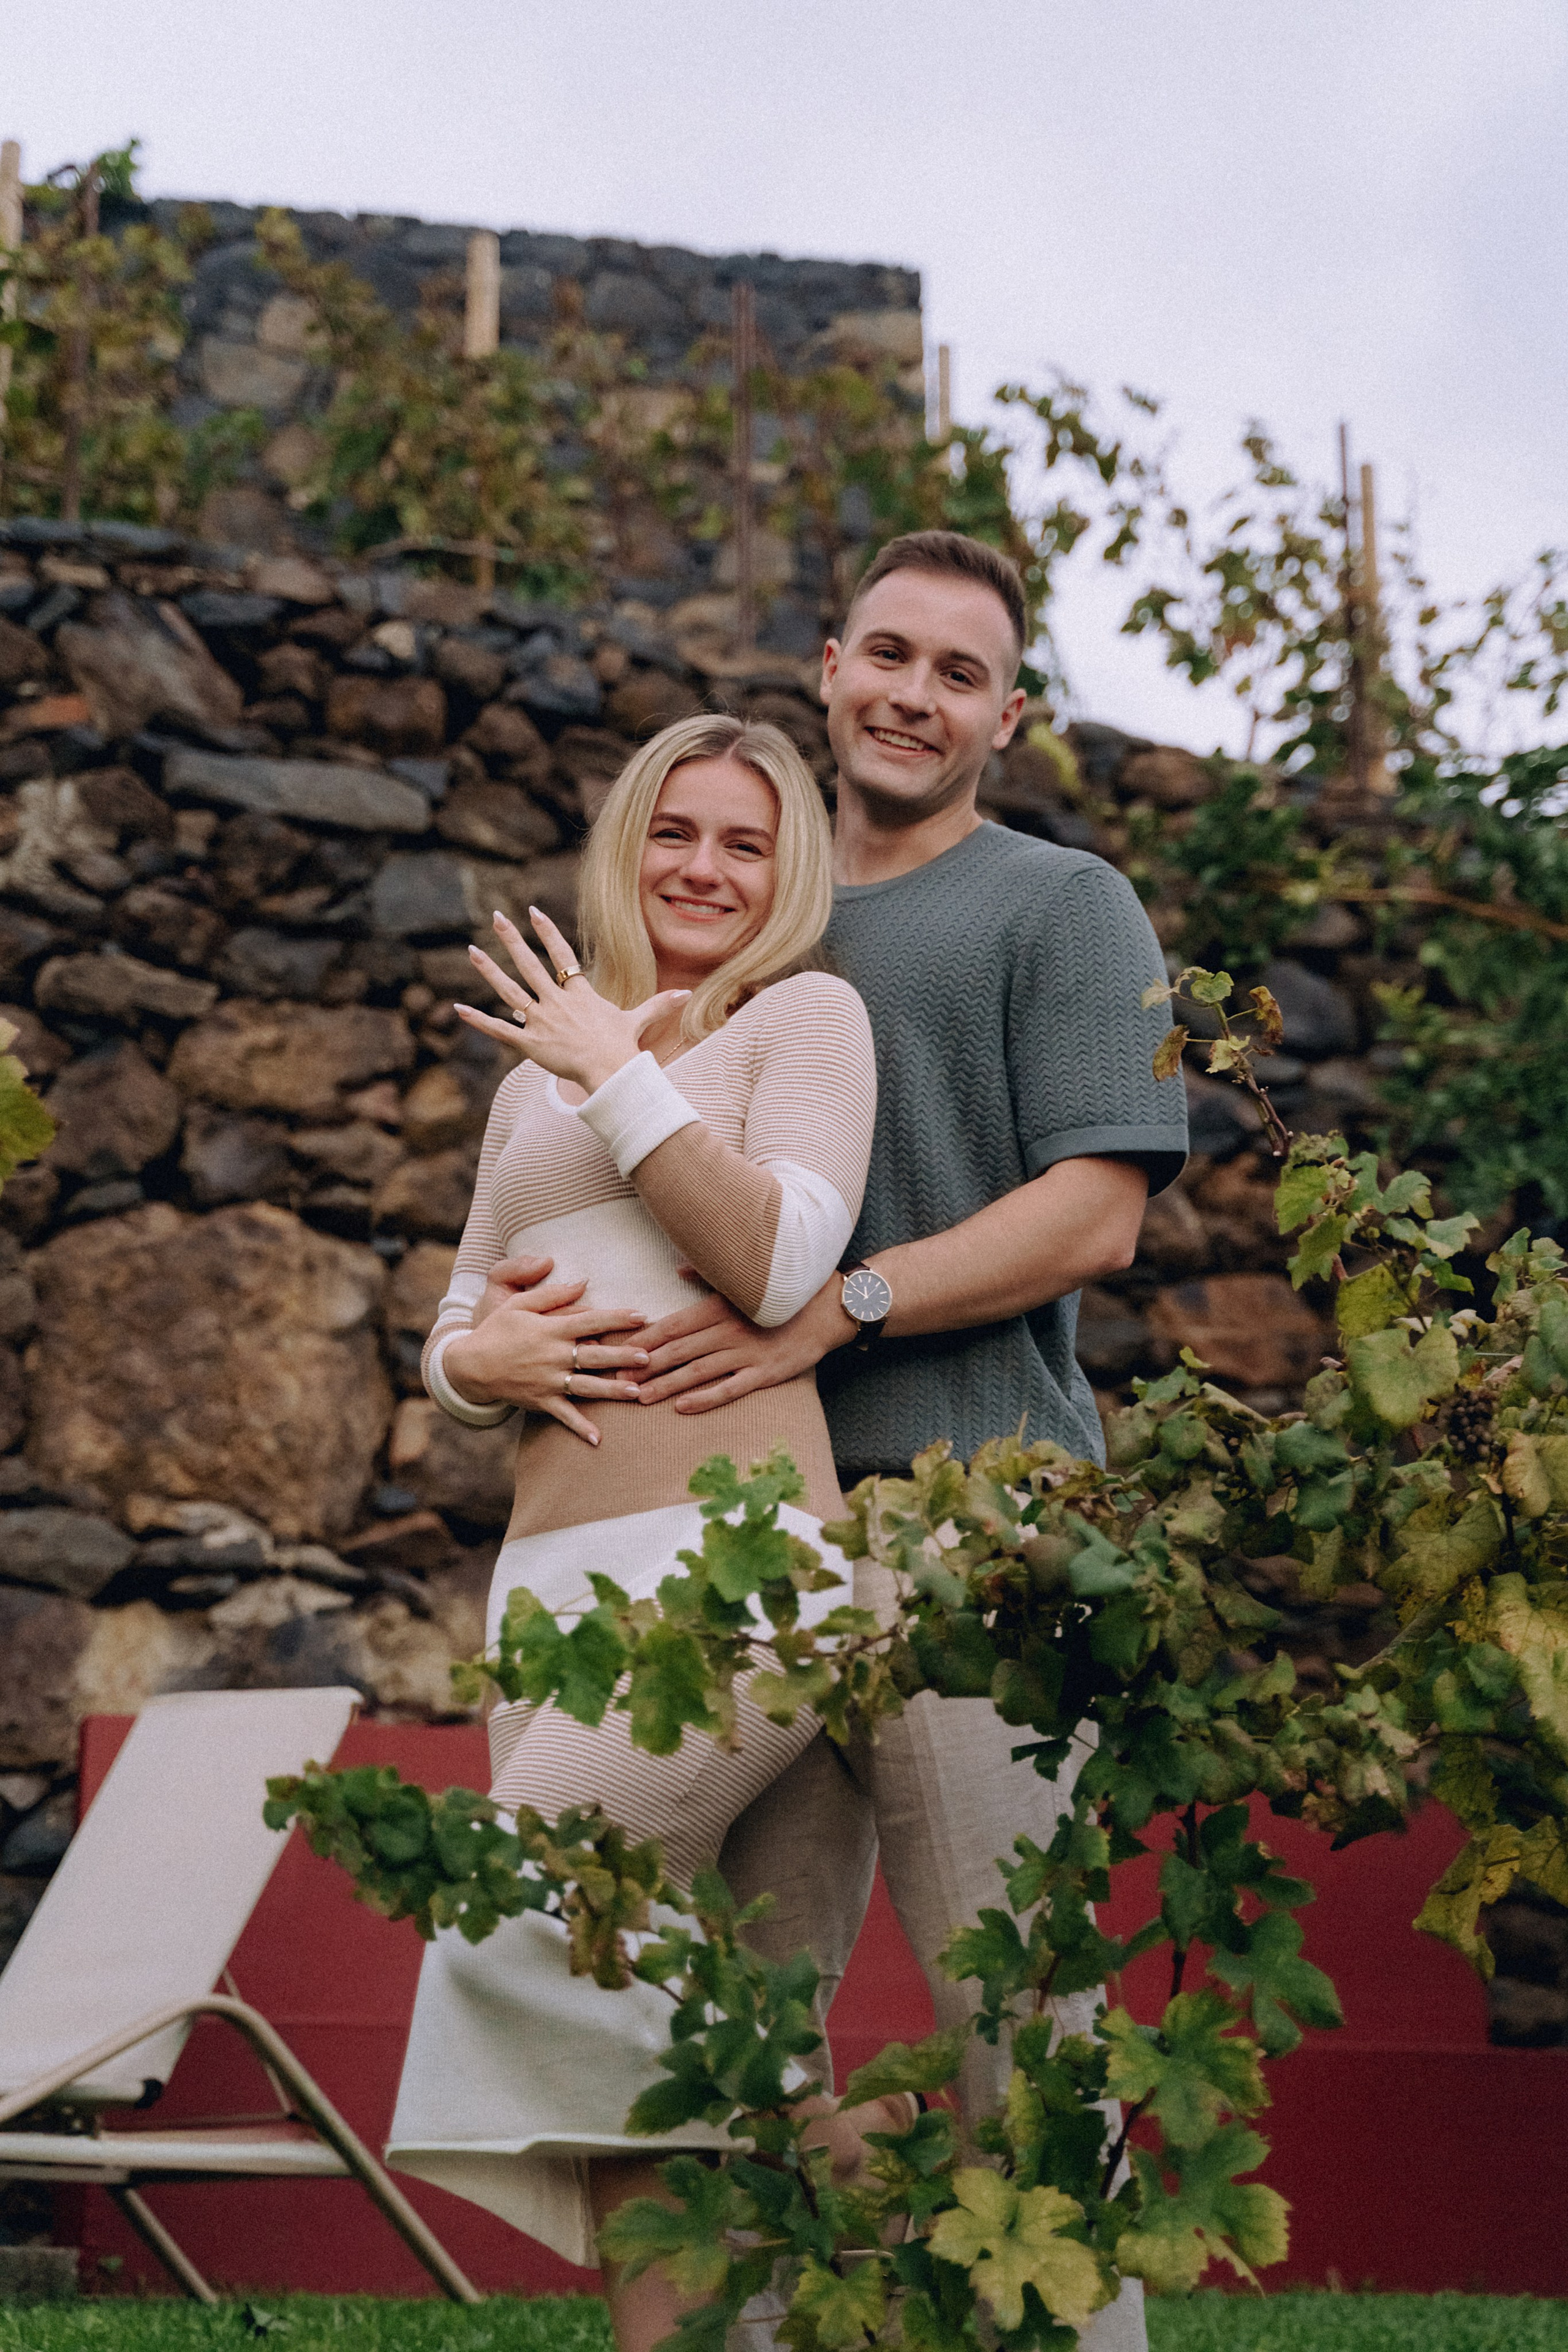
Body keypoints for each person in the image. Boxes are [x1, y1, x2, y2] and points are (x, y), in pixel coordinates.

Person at [625, 532, 1190, 2352]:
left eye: (961, 674)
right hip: (748, 1527)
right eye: (889, 653)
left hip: (980, 1522)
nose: (913, 695)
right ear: (827, 663)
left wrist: (844, 1305)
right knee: (736, 2038)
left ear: (1007, 718)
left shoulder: (1064, 904)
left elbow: (1099, 1214)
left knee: (1023, 2035)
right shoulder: (754, 914)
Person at [384, 712, 910, 2352]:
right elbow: (460, 1320)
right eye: (676, 832)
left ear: (789, 872)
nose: (704, 867)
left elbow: (777, 1261)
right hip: (547, 1584)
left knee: (537, 1898)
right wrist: (476, 1367)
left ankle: (858, 2166)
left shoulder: (806, 1020)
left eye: (747, 843)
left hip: (743, 1567)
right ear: (629, 846)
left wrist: (617, 1068)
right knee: (621, 2017)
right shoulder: (526, 1083)